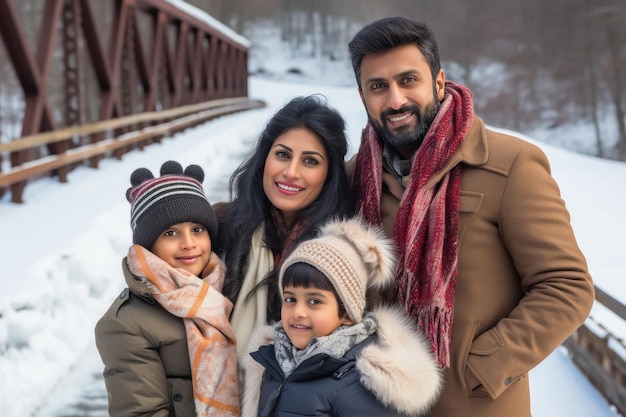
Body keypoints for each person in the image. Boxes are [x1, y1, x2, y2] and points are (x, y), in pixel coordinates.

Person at [347, 17, 595, 417]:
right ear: (363, 97)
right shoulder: (355, 176)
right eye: (379, 87)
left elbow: (567, 287)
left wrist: (481, 367)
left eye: (408, 80)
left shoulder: (510, 165)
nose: (395, 100)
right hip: (375, 404)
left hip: (473, 405)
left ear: (439, 81)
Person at [239, 217, 442, 417]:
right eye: (290, 299)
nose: (298, 312)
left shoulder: (357, 384)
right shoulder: (275, 360)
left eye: (314, 301)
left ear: (346, 313)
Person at [95, 160, 239, 417]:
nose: (189, 244)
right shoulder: (125, 324)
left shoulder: (227, 288)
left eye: (197, 230)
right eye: (171, 233)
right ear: (149, 246)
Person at [214, 95, 352, 354]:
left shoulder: (342, 256)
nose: (291, 171)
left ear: (330, 174)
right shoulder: (217, 230)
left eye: (310, 160)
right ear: (265, 158)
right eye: (282, 154)